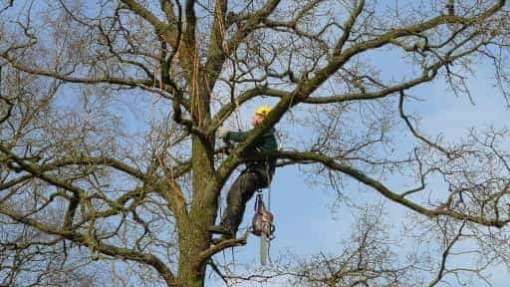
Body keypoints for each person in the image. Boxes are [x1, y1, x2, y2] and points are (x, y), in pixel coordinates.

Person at [209, 105, 278, 239]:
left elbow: (245, 137)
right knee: (236, 197)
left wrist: (228, 134)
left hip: (258, 172)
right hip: (256, 173)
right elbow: (245, 149)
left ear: (263, 117)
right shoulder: (261, 136)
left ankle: (227, 227)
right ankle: (229, 233)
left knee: (236, 194)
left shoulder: (264, 131)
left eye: (256, 115)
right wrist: (231, 148)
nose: (253, 117)